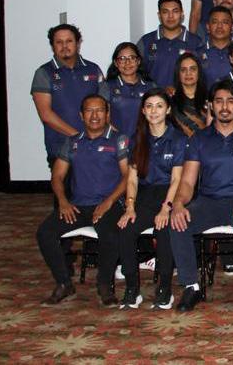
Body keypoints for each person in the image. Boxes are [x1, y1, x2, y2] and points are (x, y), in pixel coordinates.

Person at [169, 79, 233, 312]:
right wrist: (178, 204)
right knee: (178, 222)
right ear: (211, 106)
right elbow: (187, 181)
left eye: (230, 101)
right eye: (219, 101)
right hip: (208, 201)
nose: (225, 107)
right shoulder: (199, 139)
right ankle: (191, 286)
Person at [37, 94, 127, 306]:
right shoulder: (72, 141)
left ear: (107, 114)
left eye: (100, 110)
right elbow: (57, 176)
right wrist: (63, 201)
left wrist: (109, 202)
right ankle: (63, 283)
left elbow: (127, 177)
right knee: (45, 233)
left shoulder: (119, 140)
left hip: (109, 204)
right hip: (77, 206)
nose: (95, 115)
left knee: (110, 235)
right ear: (81, 115)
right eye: (89, 111)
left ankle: (104, 285)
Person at [116, 88, 184, 309]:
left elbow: (177, 180)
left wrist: (166, 208)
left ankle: (164, 288)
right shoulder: (137, 139)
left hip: (169, 195)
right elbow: (132, 179)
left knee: (164, 230)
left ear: (168, 110)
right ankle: (132, 288)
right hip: (145, 196)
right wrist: (130, 207)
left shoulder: (178, 139)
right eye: (149, 106)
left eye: (159, 106)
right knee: (126, 229)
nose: (154, 111)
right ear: (143, 111)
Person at [31, 24, 104, 165]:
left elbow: (105, 105)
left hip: (96, 148)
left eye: (69, 41)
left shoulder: (93, 69)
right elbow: (45, 114)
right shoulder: (44, 73)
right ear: (52, 46)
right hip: (62, 150)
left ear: (78, 43)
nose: (64, 46)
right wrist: (79, 137)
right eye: (59, 42)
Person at [137, 0, 202, 88]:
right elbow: (135, 74)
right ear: (159, 15)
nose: (170, 16)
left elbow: (203, 76)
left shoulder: (196, 42)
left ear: (182, 14)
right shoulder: (146, 41)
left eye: (175, 11)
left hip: (186, 96)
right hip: (154, 96)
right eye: (165, 12)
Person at [99, 42, 155, 138]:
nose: (127, 62)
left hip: (146, 141)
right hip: (117, 142)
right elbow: (102, 118)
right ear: (116, 63)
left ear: (138, 61)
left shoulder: (151, 86)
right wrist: (120, 139)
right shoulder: (107, 87)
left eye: (132, 58)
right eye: (122, 58)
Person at [169, 53, 209, 138]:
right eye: (183, 70)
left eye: (193, 69)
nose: (188, 73)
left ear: (199, 72)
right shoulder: (170, 100)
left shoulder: (210, 98)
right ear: (178, 74)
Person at [199, 6, 233, 85]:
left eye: (225, 22)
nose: (219, 26)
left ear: (232, 27)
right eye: (215, 22)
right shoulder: (198, 53)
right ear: (208, 27)